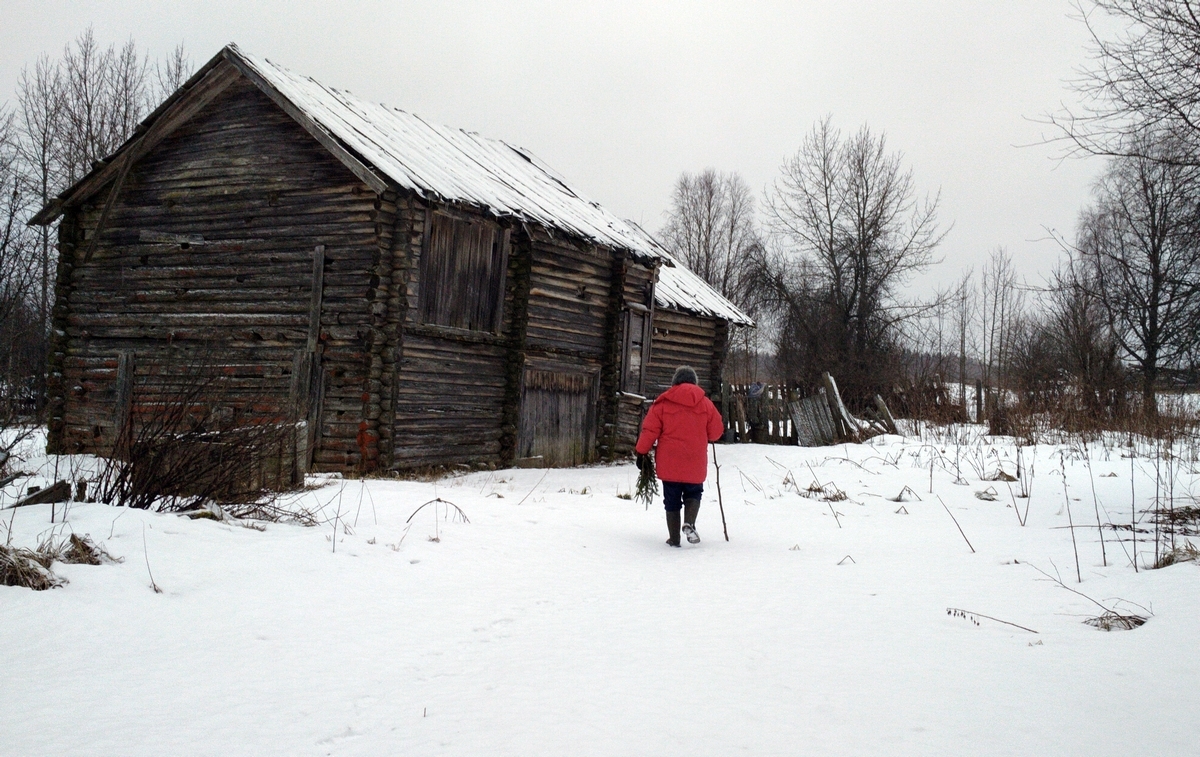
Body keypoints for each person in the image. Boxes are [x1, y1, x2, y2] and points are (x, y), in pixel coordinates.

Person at [635, 366, 725, 547]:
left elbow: (650, 430)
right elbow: (716, 433)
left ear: (674, 382)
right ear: (694, 382)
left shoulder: (663, 403)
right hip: (695, 460)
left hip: (670, 462)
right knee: (694, 492)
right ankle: (689, 522)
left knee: (672, 499)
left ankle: (674, 539)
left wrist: (641, 452)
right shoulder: (706, 404)